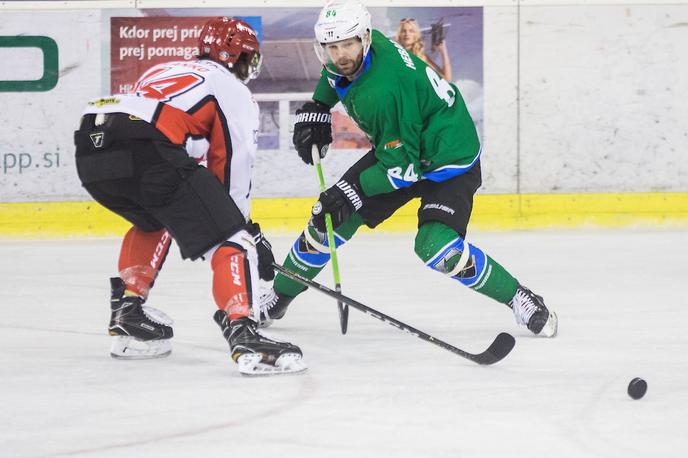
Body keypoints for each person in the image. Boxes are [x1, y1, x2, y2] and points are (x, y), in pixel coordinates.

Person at [259, 0, 558, 339]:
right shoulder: (364, 49)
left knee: (437, 247)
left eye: (346, 45)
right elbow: (335, 75)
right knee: (330, 220)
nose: (339, 54)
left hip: (448, 161)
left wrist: (348, 192)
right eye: (331, 47)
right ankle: (279, 297)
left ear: (365, 39)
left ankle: (519, 296)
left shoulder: (384, 91)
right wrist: (319, 106)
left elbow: (402, 172)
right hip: (404, 146)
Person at [73, 17, 306, 375]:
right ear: (237, 57)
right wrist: (242, 228)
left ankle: (129, 310)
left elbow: (176, 145)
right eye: (249, 58)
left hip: (93, 142)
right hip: (145, 143)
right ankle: (245, 334)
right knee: (231, 235)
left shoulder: (167, 69)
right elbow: (233, 163)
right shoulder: (230, 88)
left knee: (153, 217)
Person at [396, 18, 452, 82]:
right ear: (400, 34)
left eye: (411, 31)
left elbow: (447, 79)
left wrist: (443, 51)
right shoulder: (394, 54)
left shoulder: (421, 57)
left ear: (415, 34)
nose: (407, 34)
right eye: (404, 31)